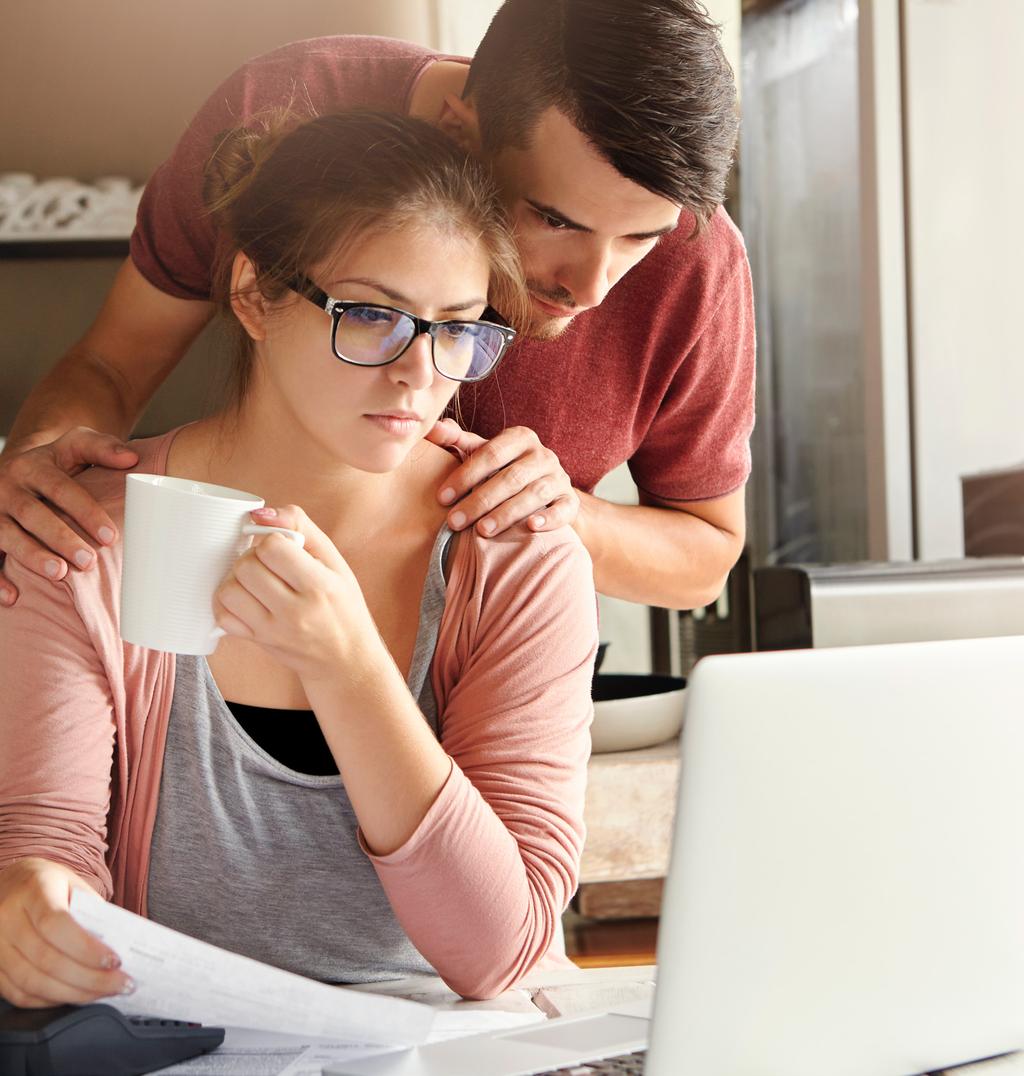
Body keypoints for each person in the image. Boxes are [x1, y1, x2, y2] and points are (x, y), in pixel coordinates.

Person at [0, 111, 598, 1007]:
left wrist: (347, 665)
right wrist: (31, 903)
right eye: (370, 316)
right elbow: (49, 848)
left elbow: (501, 953)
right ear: (253, 294)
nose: (416, 374)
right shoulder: (83, 537)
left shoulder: (515, 552)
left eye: (456, 328)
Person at [0, 0, 754, 613]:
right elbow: (111, 361)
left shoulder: (699, 253)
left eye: (641, 239)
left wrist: (565, 512)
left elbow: (704, 560)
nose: (591, 288)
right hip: (222, 616)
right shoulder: (284, 109)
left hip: (491, 663)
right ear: (459, 131)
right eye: (556, 220)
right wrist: (38, 477)